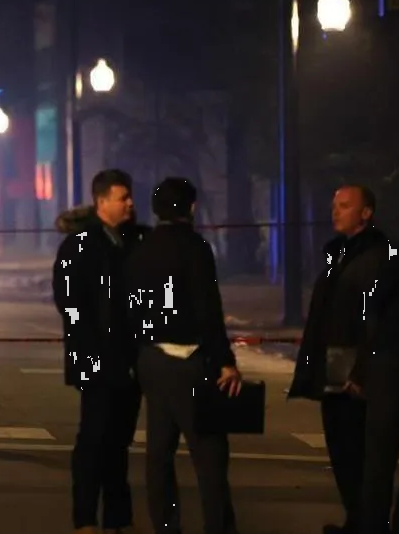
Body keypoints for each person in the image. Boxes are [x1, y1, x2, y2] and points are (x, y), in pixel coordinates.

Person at [126, 177, 242, 534]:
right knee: (209, 456)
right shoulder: (195, 248)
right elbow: (208, 308)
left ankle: (167, 524)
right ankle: (217, 526)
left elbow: (129, 307)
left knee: (159, 452)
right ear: (190, 208)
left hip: (152, 359)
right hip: (192, 360)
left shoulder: (141, 248)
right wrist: (225, 360)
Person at [287, 185, 390, 534]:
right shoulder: (340, 255)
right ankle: (356, 519)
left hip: (353, 369)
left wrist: (361, 368)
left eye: (345, 206)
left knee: (356, 450)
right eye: (334, 205)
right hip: (334, 364)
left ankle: (365, 522)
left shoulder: (375, 256)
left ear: (366, 212)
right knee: (342, 450)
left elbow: (374, 318)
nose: (336, 212)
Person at [52, 169, 149, 534]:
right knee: (94, 438)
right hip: (95, 359)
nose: (130, 204)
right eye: (122, 197)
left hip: (129, 359)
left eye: (130, 197)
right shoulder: (79, 245)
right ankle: (86, 517)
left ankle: (118, 517)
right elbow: (69, 303)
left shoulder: (132, 242)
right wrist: (91, 347)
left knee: (119, 442)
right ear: (102, 201)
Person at [358, 235, 399, 534]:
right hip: (395, 357)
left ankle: (373, 524)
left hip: (390, 357)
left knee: (379, 456)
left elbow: (377, 301)